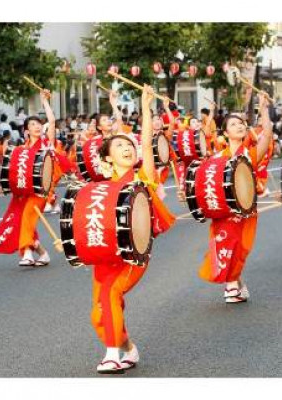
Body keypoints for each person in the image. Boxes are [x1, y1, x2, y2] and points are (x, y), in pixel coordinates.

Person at [90, 85, 175, 374]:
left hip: (134, 254)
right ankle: (127, 348)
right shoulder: (100, 188)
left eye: (129, 145)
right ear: (107, 158)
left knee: (112, 294)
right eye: (119, 146)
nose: (127, 148)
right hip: (104, 255)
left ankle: (112, 354)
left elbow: (148, 139)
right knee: (98, 315)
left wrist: (146, 108)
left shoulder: (142, 177)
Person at [197, 92, 272, 303]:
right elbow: (205, 181)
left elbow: (266, 135)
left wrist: (263, 108)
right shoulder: (217, 158)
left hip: (246, 209)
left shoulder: (250, 154)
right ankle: (230, 286)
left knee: (241, 247)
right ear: (225, 132)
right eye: (233, 124)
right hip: (223, 212)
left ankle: (236, 281)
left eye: (241, 123)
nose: (239, 126)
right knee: (226, 243)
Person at [0, 90, 57, 267]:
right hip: (23, 192)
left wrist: (44, 102)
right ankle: (42, 253)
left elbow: (52, 122)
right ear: (26, 130)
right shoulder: (20, 149)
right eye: (33, 124)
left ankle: (26, 252)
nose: (37, 126)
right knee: (24, 221)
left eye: (39, 123)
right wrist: (3, 186)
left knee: (27, 217)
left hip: (41, 191)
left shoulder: (46, 144)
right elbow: (11, 170)